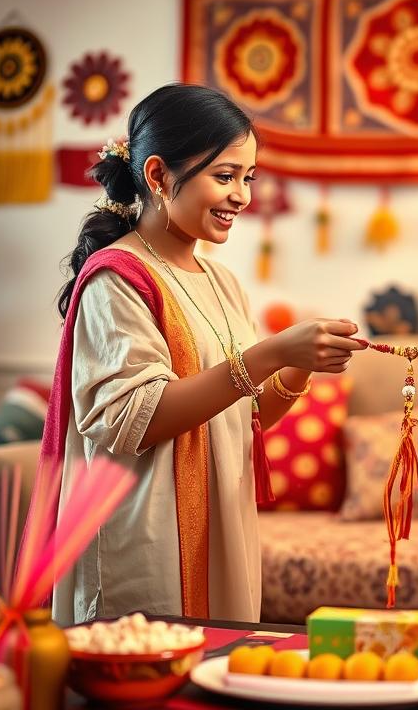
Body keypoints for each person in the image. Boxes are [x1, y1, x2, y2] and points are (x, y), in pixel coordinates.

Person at [36, 83, 364, 625]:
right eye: (225, 176)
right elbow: (132, 422)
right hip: (148, 529)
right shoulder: (118, 280)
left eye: (248, 178)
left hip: (221, 524)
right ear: (159, 176)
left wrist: (299, 365)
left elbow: (245, 417)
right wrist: (271, 351)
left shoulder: (221, 282)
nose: (243, 197)